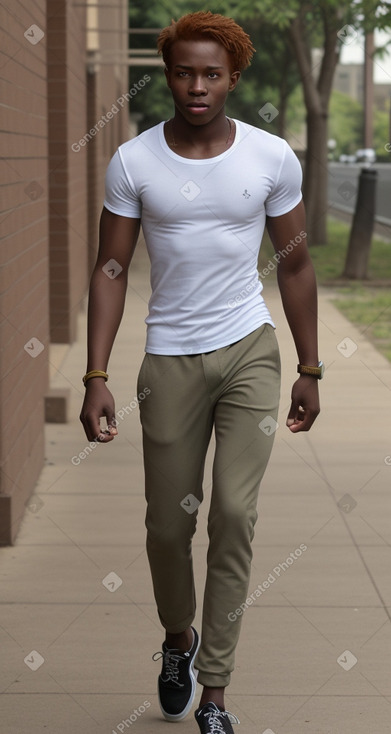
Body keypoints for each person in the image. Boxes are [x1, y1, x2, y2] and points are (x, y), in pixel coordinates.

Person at [80, 10, 322, 734]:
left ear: (232, 79)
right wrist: (95, 375)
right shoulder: (132, 161)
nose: (195, 85)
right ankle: (177, 638)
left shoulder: (271, 157)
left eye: (210, 73)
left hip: (249, 348)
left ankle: (214, 690)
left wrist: (310, 367)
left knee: (234, 516)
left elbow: (297, 264)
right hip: (169, 361)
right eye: (183, 71)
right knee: (165, 527)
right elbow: (112, 267)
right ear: (169, 74)